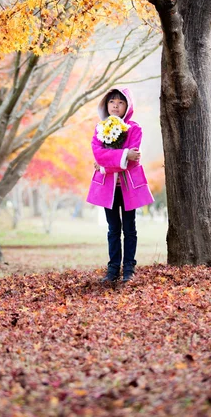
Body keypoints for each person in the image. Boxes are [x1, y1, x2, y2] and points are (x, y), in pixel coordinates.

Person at [87, 87, 154, 282]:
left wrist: (105, 165)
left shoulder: (134, 128)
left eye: (120, 102)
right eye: (111, 102)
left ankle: (129, 269)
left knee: (129, 228)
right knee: (113, 228)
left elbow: (132, 160)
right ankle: (113, 269)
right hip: (108, 188)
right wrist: (122, 156)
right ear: (106, 106)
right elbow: (98, 154)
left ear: (128, 106)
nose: (115, 106)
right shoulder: (100, 128)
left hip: (127, 188)